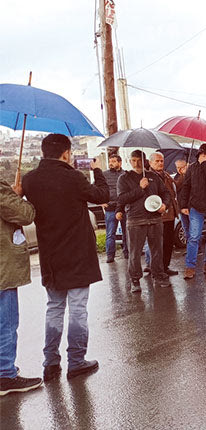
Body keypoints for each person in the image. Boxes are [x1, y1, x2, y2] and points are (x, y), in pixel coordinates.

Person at [22, 133, 109, 381]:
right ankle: (77, 361)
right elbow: (102, 196)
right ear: (66, 153)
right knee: (78, 309)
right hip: (78, 254)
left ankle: (50, 363)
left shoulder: (30, 180)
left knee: (54, 308)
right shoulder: (73, 177)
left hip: (50, 255)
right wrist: (98, 172)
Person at [0, 179, 43, 395]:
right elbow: (25, 215)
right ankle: (6, 375)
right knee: (6, 322)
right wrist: (18, 197)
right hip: (2, 268)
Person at [117, 150, 171, 292]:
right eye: (133, 160)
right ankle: (135, 279)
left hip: (154, 218)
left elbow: (165, 193)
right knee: (134, 253)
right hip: (135, 219)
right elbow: (122, 199)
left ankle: (158, 275)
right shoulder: (124, 178)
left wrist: (164, 205)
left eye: (139, 160)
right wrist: (140, 188)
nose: (136, 163)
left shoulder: (153, 176)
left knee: (157, 250)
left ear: (145, 160)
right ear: (129, 161)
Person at [179, 144, 206, 279]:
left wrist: (205, 164)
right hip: (196, 207)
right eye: (201, 155)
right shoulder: (192, 168)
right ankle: (190, 267)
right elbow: (186, 187)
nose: (203, 157)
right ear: (197, 155)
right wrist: (183, 205)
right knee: (193, 237)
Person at [149, 152, 179, 276]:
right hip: (155, 215)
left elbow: (175, 189)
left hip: (169, 213)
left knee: (168, 242)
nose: (160, 163)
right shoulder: (147, 176)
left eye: (161, 161)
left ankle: (165, 266)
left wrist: (182, 175)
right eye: (157, 161)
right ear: (150, 163)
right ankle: (156, 269)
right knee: (156, 245)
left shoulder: (166, 175)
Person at [103, 154, 128, 263]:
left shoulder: (126, 174)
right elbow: (96, 188)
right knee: (110, 233)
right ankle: (110, 255)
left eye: (113, 161)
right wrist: (101, 202)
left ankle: (127, 252)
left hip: (123, 207)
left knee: (126, 232)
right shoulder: (104, 175)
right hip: (110, 208)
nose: (111, 163)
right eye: (110, 161)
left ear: (120, 162)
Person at [173, 158, 190, 236]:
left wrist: (185, 174)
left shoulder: (190, 175)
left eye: (181, 167)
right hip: (181, 207)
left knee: (193, 229)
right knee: (185, 227)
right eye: (177, 167)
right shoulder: (176, 177)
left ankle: (196, 247)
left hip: (191, 206)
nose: (179, 169)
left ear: (186, 166)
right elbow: (176, 188)